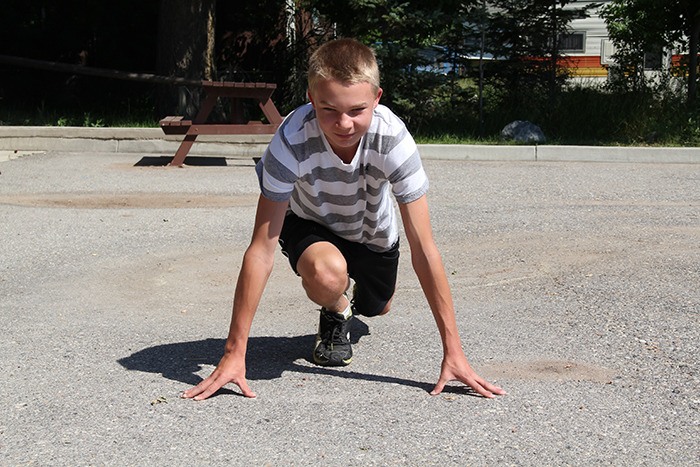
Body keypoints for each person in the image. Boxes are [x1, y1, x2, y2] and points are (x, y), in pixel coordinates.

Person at [182, 38, 505, 400]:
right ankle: (335, 308)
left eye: (357, 110)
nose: (344, 123)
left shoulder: (393, 140)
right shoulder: (289, 140)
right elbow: (260, 250)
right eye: (329, 109)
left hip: (372, 236)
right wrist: (233, 355)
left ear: (377, 98)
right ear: (310, 98)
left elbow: (425, 248)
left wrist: (454, 353)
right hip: (309, 224)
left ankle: (359, 301)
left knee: (378, 307)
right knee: (326, 276)